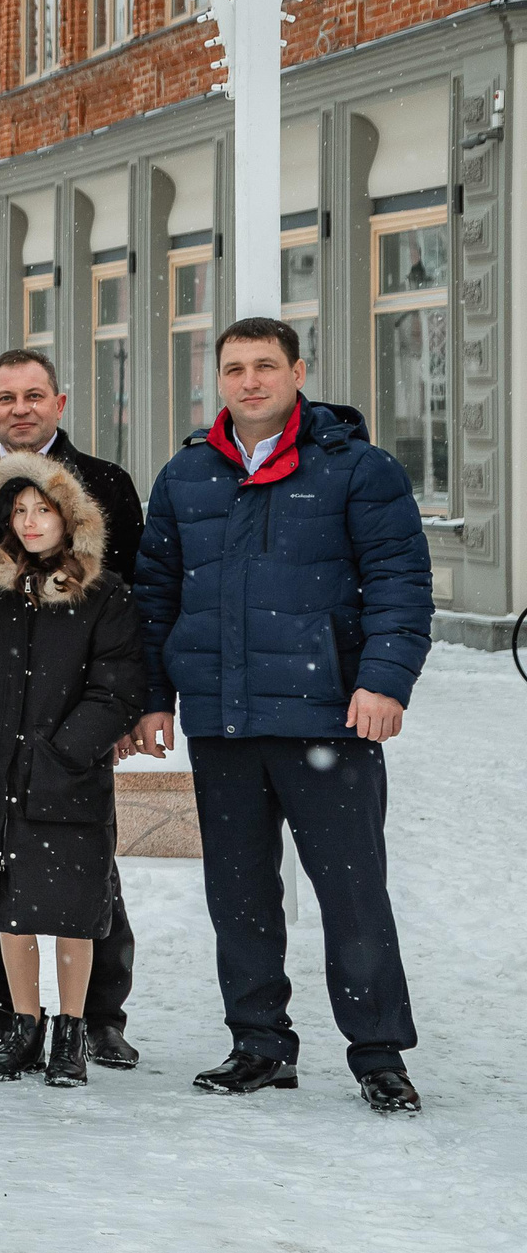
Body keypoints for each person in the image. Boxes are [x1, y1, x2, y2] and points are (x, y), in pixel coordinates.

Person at [131, 317, 434, 1114]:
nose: (250, 381)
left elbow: (400, 583)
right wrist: (154, 698)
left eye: (266, 365)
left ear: (300, 370)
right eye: (235, 367)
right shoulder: (187, 474)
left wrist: (385, 682)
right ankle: (259, 1043)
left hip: (329, 719)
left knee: (353, 892)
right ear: (219, 378)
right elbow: (154, 596)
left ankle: (378, 1053)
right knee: (238, 893)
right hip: (224, 725)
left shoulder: (358, 470)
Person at [0, 348, 148, 1069]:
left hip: (68, 736)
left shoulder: (108, 485)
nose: (20, 407)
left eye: (34, 394)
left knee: (85, 884)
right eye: (5, 396)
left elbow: (132, 622)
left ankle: (96, 1016)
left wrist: (97, 729)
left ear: (59, 402)